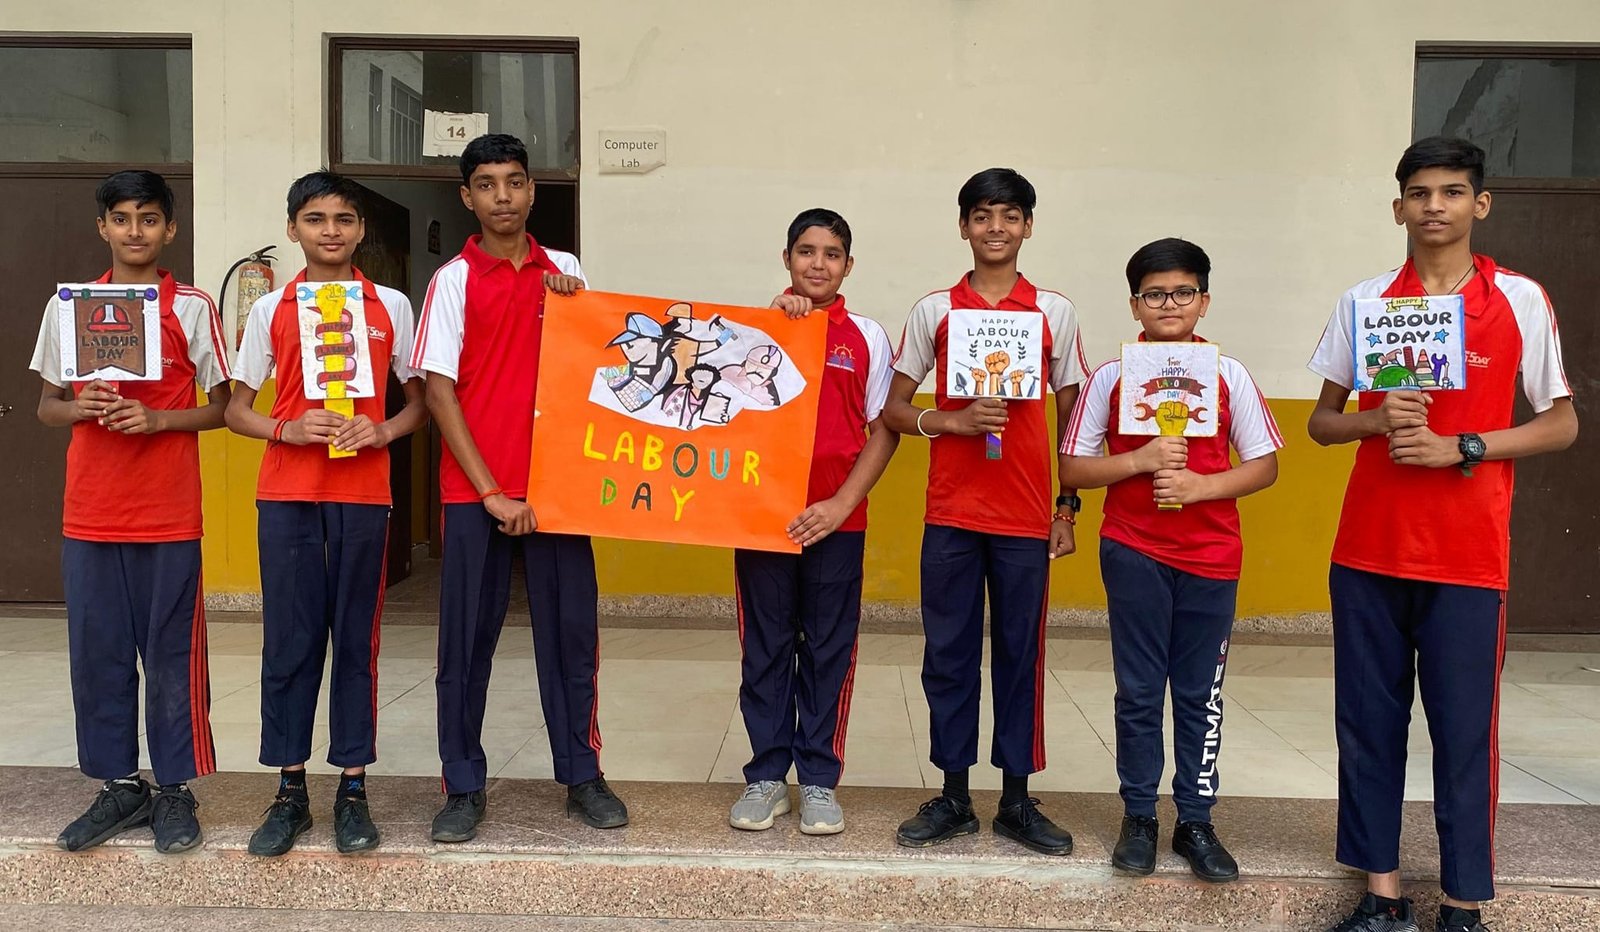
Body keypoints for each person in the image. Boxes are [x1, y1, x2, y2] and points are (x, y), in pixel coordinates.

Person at [1307, 137, 1576, 932]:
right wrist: (1373, 419)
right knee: (1368, 727)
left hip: (1467, 557)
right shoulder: (1365, 302)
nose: (1435, 206)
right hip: (1368, 550)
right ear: (1399, 208)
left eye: (1452, 192)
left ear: (1479, 204)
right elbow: (1322, 423)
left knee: (1464, 734)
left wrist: (1465, 445)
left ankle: (1463, 904)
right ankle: (1381, 894)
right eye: (1420, 193)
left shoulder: (1519, 299)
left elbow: (1560, 423)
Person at [411, 133, 627, 841]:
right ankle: (462, 785)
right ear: (467, 197)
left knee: (571, 639)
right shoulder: (453, 280)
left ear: (532, 191)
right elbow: (439, 392)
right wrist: (490, 492)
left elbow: (603, 367)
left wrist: (577, 305)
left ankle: (582, 774)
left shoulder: (566, 270)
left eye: (513, 181)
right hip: (476, 494)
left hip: (559, 491)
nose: (501, 196)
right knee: (464, 646)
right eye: (486, 184)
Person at [1059, 237, 1283, 882]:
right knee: (1137, 690)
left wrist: (1201, 487)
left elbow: (1264, 465)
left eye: (1183, 292)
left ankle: (1195, 820)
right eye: (1154, 294)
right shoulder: (1111, 376)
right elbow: (1073, 467)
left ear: (1204, 301)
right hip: (1133, 550)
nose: (1169, 304)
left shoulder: (1228, 374)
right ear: (1135, 304)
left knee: (1200, 693)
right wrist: (1140, 460)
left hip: (1212, 555)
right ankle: (1139, 816)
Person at [882, 168, 1087, 855]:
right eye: (981, 215)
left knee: (1021, 658)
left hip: (1025, 519)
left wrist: (1067, 508)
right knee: (948, 656)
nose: (995, 227)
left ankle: (1017, 801)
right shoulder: (934, 310)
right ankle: (953, 796)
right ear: (964, 226)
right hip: (951, 516)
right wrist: (951, 421)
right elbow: (894, 408)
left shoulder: (1054, 311)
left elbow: (1075, 422)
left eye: (1009, 215)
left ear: (1028, 225)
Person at [225, 170, 428, 856]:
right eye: (315, 219)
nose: (331, 231)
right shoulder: (271, 309)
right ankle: (289, 791)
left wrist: (383, 430)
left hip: (363, 494)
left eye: (343, 219)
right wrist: (287, 429)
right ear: (293, 230)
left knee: (357, 643)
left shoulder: (390, 305)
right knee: (289, 641)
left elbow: (419, 403)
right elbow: (237, 410)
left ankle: (352, 789)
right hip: (286, 495)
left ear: (361, 230)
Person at [30, 169, 231, 854]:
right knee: (98, 656)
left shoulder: (192, 307)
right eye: (121, 218)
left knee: (172, 656)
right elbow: (47, 406)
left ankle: (175, 790)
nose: (134, 231)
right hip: (89, 512)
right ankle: (119, 786)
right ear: (103, 227)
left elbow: (225, 407)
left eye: (149, 218)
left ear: (169, 229)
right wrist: (78, 407)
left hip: (168, 514)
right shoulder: (70, 307)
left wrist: (160, 418)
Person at [728, 208, 898, 835]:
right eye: (806, 251)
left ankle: (820, 781)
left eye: (831, 254)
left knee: (828, 650)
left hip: (836, 524)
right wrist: (775, 325)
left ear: (848, 265)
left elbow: (884, 430)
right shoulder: (751, 330)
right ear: (787, 259)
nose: (817, 264)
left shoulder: (868, 337)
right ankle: (768, 777)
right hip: (763, 522)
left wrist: (841, 504)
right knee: (765, 648)